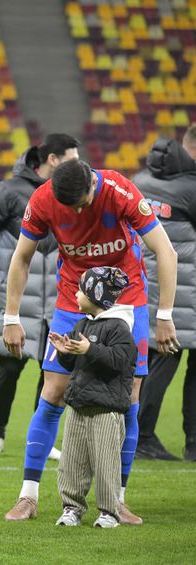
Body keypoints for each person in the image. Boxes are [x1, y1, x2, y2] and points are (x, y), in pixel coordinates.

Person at [2, 158, 179, 524]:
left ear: (93, 186)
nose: (79, 211)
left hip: (126, 300)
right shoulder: (43, 200)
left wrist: (164, 315)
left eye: (83, 202)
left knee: (129, 394)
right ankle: (28, 496)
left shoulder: (120, 190)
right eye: (72, 207)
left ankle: (117, 499)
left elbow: (166, 251)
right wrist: (11, 317)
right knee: (53, 391)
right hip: (73, 299)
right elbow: (21, 258)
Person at [0, 134, 80, 459]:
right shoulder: (8, 191)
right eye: (72, 158)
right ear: (52, 160)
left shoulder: (72, 192)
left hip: (60, 302)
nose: (78, 165)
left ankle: (41, 438)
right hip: (18, 300)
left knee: (52, 372)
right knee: (9, 370)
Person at [51, 267, 136, 528]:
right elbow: (73, 365)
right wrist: (66, 352)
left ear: (96, 295)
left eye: (81, 290)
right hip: (78, 406)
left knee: (106, 463)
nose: (76, 294)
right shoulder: (83, 324)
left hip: (105, 410)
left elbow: (120, 361)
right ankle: (71, 508)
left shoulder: (120, 327)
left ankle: (109, 512)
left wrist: (90, 348)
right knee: (71, 462)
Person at [133, 131, 196, 461]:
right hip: (186, 289)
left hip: (148, 284)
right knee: (181, 363)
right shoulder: (191, 188)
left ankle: (141, 434)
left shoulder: (140, 180)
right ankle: (188, 443)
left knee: (158, 360)